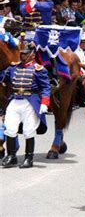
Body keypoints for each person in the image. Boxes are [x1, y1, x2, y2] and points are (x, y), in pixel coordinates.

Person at [1, 40, 51, 168]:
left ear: (32, 55)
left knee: (29, 130)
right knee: (10, 128)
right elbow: (3, 79)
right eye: (21, 53)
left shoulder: (38, 69)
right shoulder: (13, 67)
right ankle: (11, 156)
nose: (22, 56)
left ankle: (29, 158)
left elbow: (45, 88)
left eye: (25, 54)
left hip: (30, 101)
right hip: (15, 100)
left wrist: (45, 103)